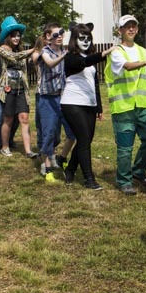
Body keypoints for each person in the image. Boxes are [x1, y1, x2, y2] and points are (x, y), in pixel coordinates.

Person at [104, 15, 146, 195]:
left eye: (134, 26)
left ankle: (138, 171)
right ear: (120, 31)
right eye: (127, 26)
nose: (131, 29)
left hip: (141, 105)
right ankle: (124, 180)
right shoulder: (116, 52)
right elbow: (127, 66)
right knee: (125, 148)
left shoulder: (142, 50)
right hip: (123, 107)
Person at [60, 23, 114, 189]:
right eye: (81, 38)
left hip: (89, 104)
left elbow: (94, 84)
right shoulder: (70, 57)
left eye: (88, 38)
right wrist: (105, 53)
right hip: (72, 103)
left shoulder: (87, 58)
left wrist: (98, 107)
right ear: (74, 40)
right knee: (83, 140)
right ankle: (89, 179)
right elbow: (84, 62)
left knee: (86, 140)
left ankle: (70, 170)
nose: (85, 41)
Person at [37, 23, 77, 182]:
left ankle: (62, 158)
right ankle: (47, 169)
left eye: (61, 33)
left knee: (72, 132)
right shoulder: (45, 52)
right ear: (48, 37)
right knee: (48, 134)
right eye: (55, 34)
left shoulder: (65, 51)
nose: (59, 36)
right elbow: (50, 63)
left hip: (64, 98)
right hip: (47, 99)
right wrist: (64, 56)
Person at [0, 16, 37, 158]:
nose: (16, 38)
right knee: (8, 119)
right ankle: (4, 147)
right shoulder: (2, 49)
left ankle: (28, 151)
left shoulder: (22, 50)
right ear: (8, 37)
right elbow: (15, 57)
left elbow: (26, 67)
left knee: (24, 118)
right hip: (8, 89)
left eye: (18, 35)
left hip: (21, 89)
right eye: (13, 36)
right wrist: (34, 49)